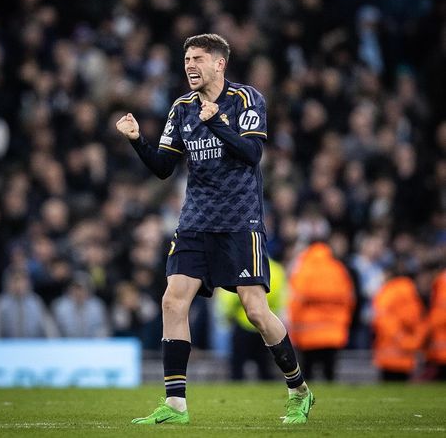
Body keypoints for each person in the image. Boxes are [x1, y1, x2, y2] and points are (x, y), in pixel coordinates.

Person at [116, 33, 314, 425]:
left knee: (256, 310)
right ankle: (175, 404)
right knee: (173, 301)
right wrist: (138, 141)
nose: (190, 65)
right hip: (195, 221)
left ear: (220, 63)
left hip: (240, 221)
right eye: (187, 58)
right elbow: (163, 168)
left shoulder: (247, 100)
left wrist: (218, 123)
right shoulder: (181, 107)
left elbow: (252, 154)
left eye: (198, 58)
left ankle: (298, 390)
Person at [288, 240, 356, 381]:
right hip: (334, 331)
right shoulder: (338, 269)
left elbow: (296, 301)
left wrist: (294, 327)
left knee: (307, 372)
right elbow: (349, 299)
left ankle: (307, 400)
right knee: (329, 372)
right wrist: (344, 322)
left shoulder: (304, 270)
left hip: (308, 332)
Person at [216, 257, 287, 380]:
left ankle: (236, 389)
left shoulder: (241, 263)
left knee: (237, 365)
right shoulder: (276, 269)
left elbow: (230, 297)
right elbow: (279, 298)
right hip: (266, 321)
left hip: (242, 321)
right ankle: (267, 390)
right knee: (264, 364)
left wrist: (228, 314)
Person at [0, 268, 58, 338]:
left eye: (22, 281)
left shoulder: (36, 301)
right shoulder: (0, 303)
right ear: (8, 283)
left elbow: (49, 328)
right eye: (15, 281)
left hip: (32, 347)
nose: (19, 285)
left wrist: (53, 346)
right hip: (6, 348)